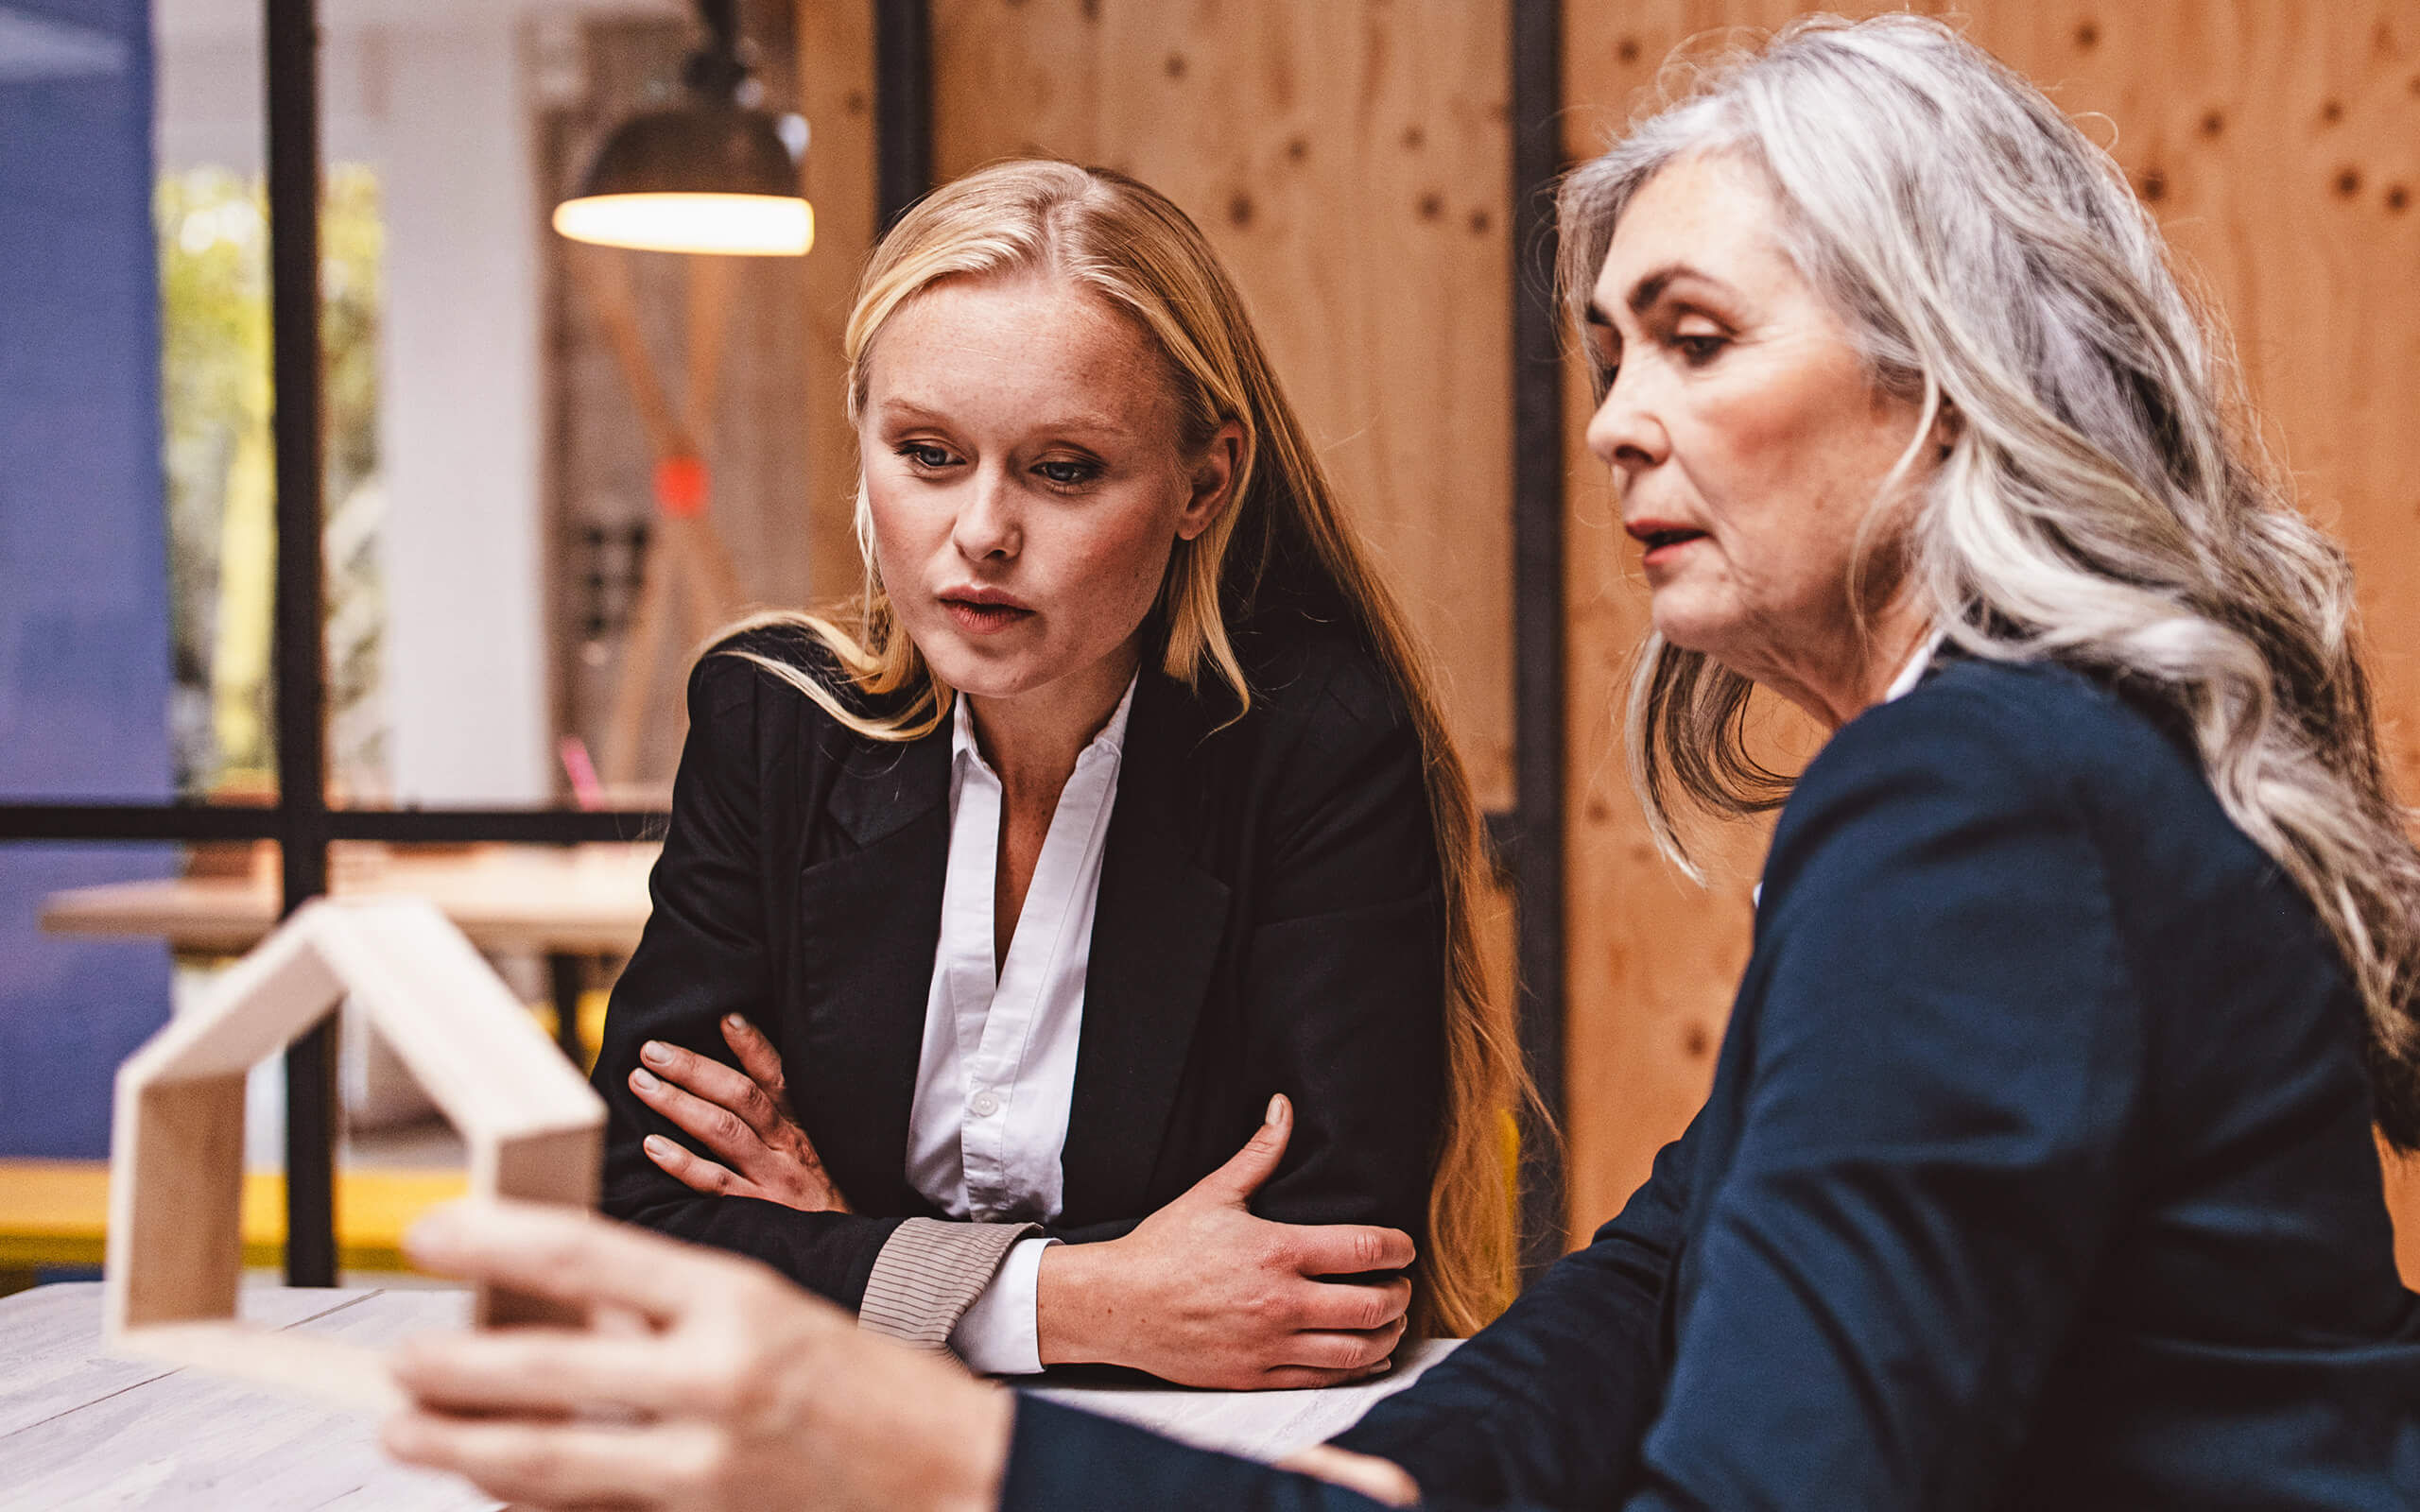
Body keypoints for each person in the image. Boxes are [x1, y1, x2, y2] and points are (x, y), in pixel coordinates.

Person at [381, 15, 2420, 1508]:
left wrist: (921, 1439)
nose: (1615, 416)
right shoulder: (2004, 770)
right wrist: (1372, 1478)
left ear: (1942, 374)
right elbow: (1639, 1294)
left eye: (1694, 339)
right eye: (1609, 348)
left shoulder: (1977, 803)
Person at [585, 158, 1523, 1387]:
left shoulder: (1311, 747)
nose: (980, 531)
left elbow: (1321, 1272)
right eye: (926, 453)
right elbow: (638, 1217)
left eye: (1064, 469)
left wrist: (850, 1260)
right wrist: (1077, 1302)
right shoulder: (772, 724)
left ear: (1204, 483)